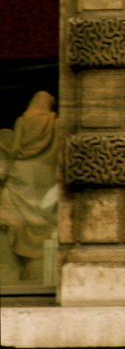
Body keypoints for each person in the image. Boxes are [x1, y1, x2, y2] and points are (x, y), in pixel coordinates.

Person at [0, 91, 58, 284]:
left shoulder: (22, 121)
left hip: (21, 173)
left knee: (12, 219)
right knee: (47, 217)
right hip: (46, 172)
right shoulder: (55, 123)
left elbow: (15, 150)